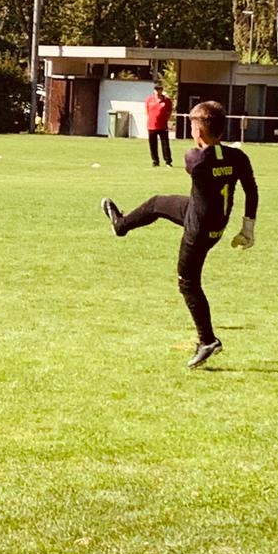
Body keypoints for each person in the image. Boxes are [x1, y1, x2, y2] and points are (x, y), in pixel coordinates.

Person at [100, 99, 258, 369]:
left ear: (199, 131)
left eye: (193, 127)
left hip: (198, 230)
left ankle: (207, 340)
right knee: (157, 203)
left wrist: (207, 148)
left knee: (188, 283)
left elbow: (199, 158)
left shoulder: (195, 159)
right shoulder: (238, 157)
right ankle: (121, 225)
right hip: (210, 218)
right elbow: (251, 190)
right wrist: (247, 228)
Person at [145, 82, 174, 168]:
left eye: (159, 89)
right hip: (151, 126)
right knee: (153, 145)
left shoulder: (167, 100)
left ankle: (168, 161)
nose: (158, 91)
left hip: (163, 126)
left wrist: (165, 120)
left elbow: (169, 112)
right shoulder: (149, 100)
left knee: (165, 145)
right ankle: (155, 161)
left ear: (162, 90)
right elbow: (147, 112)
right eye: (156, 89)